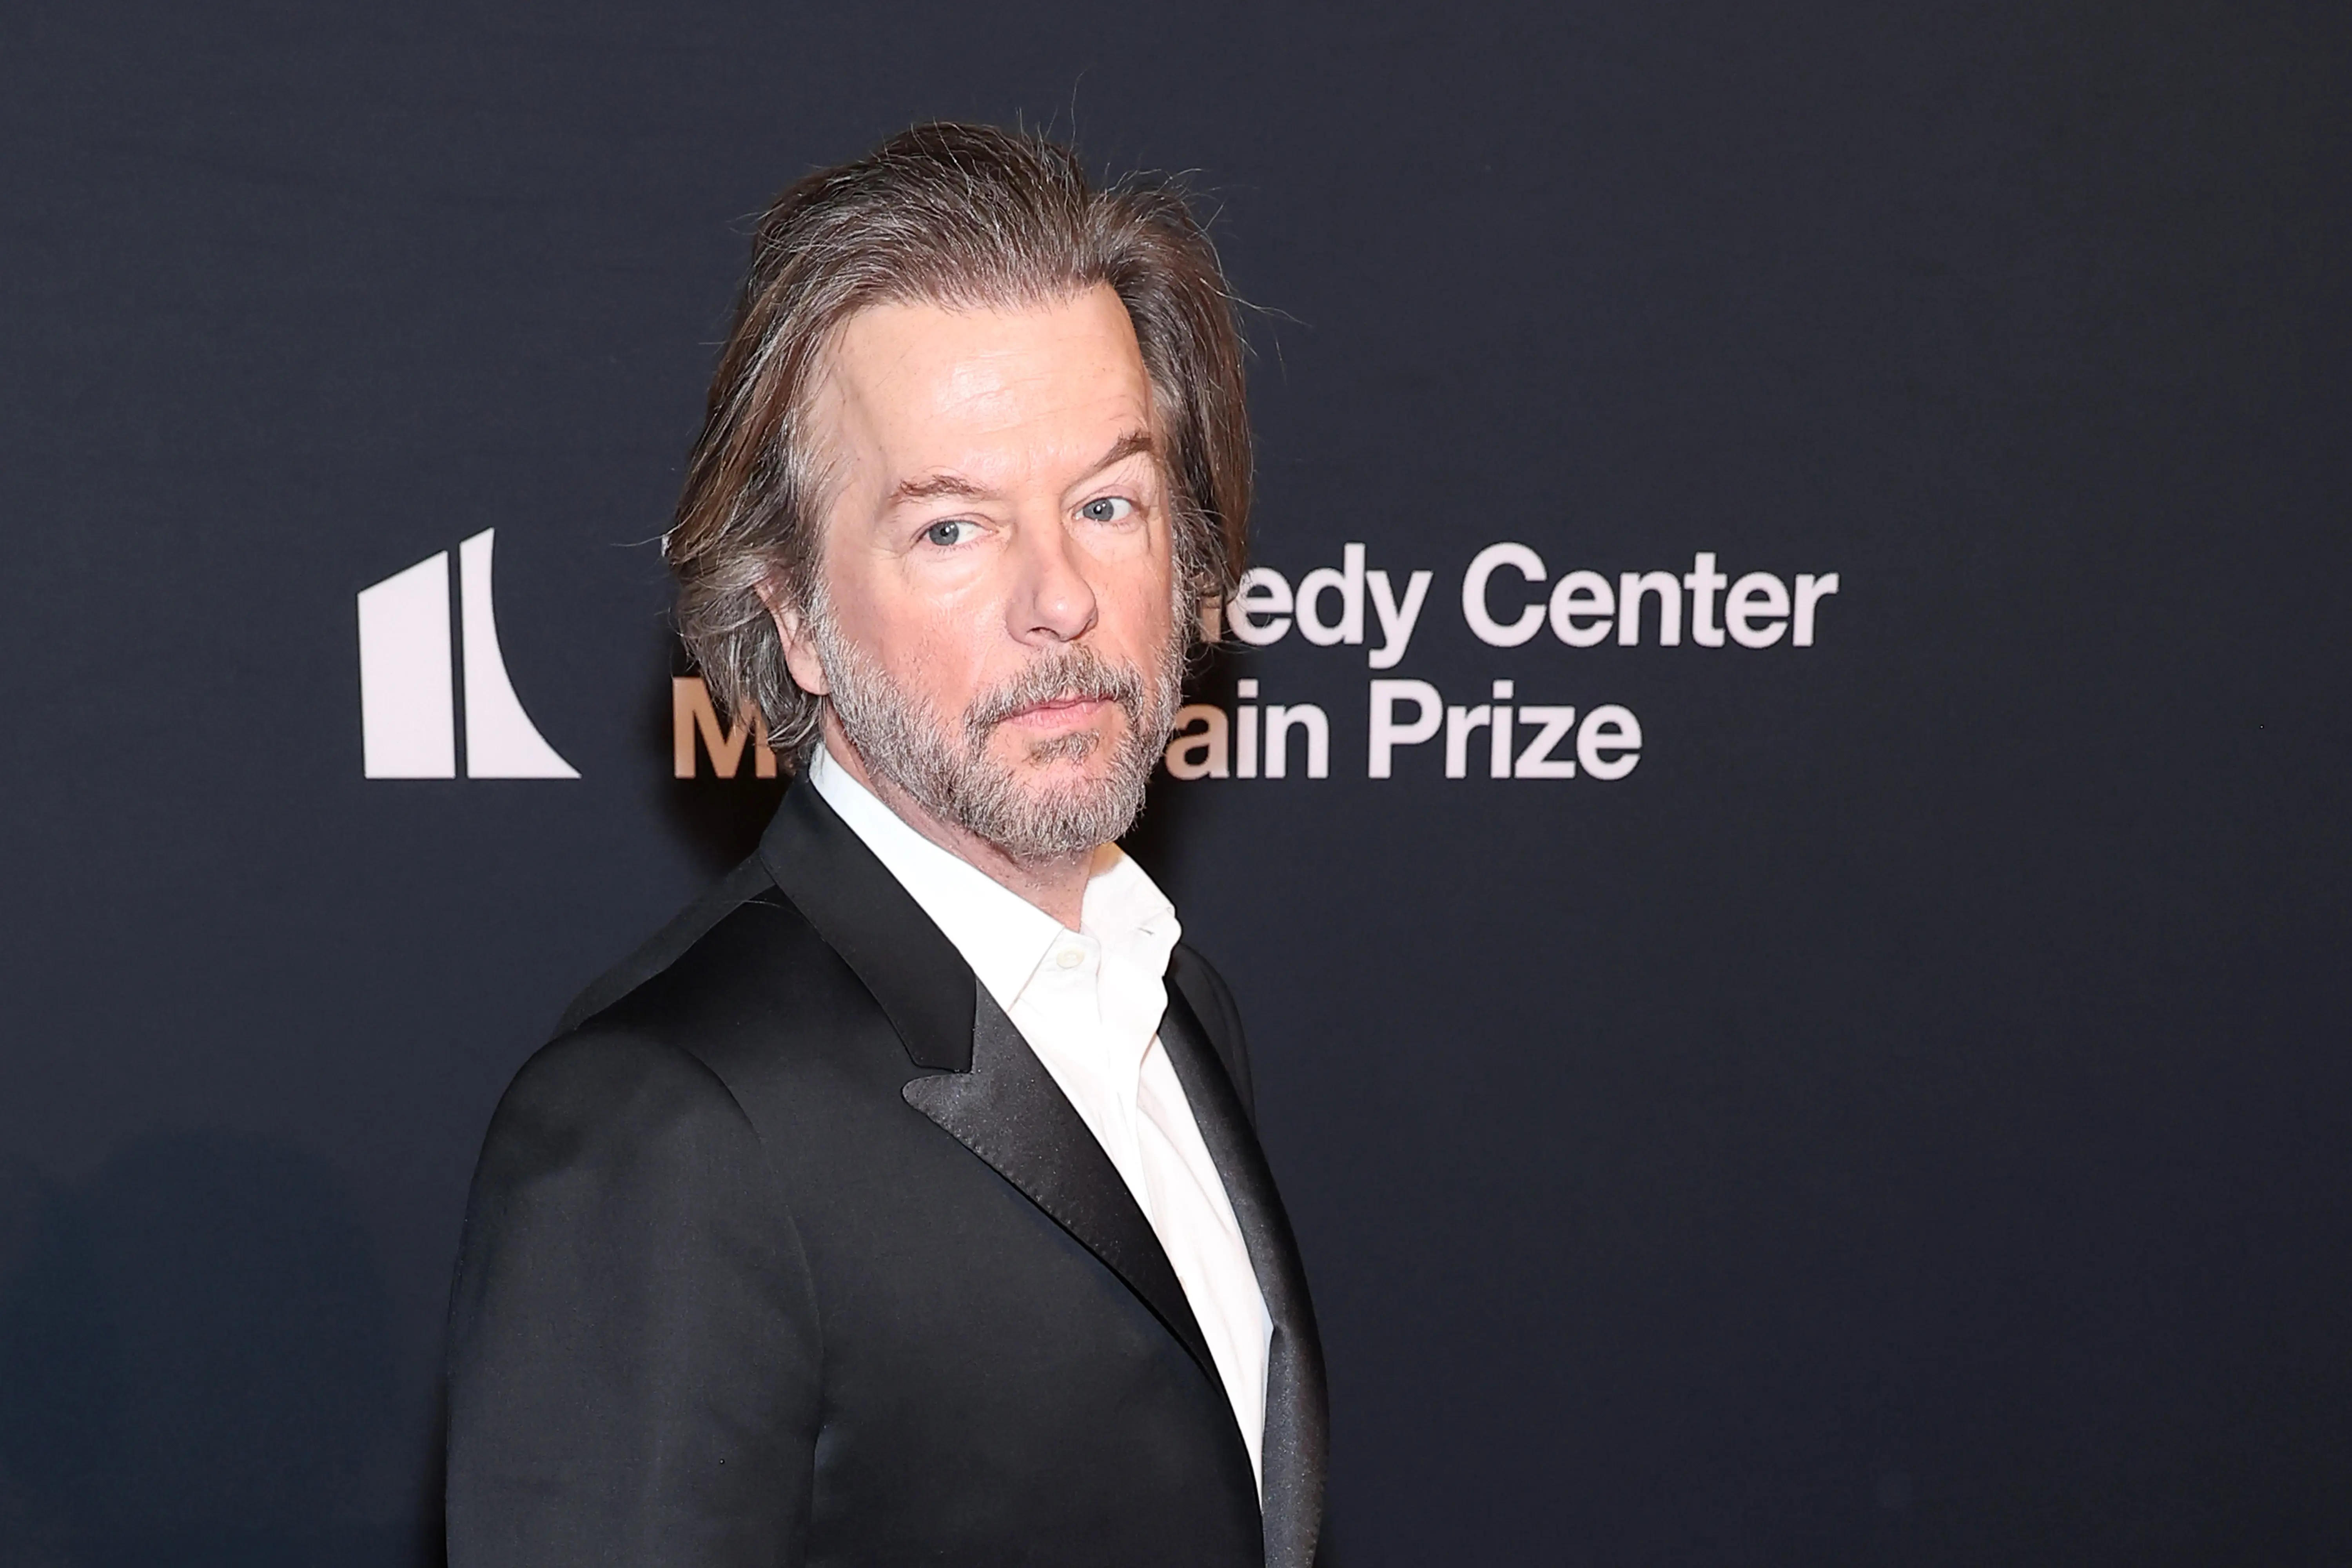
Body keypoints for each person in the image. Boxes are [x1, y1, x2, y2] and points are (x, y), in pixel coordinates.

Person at [443, 123, 1327, 1568]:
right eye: (952, 532)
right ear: (793, 614)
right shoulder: (668, 1127)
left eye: (1107, 504)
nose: (1062, 599)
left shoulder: (1171, 1001)